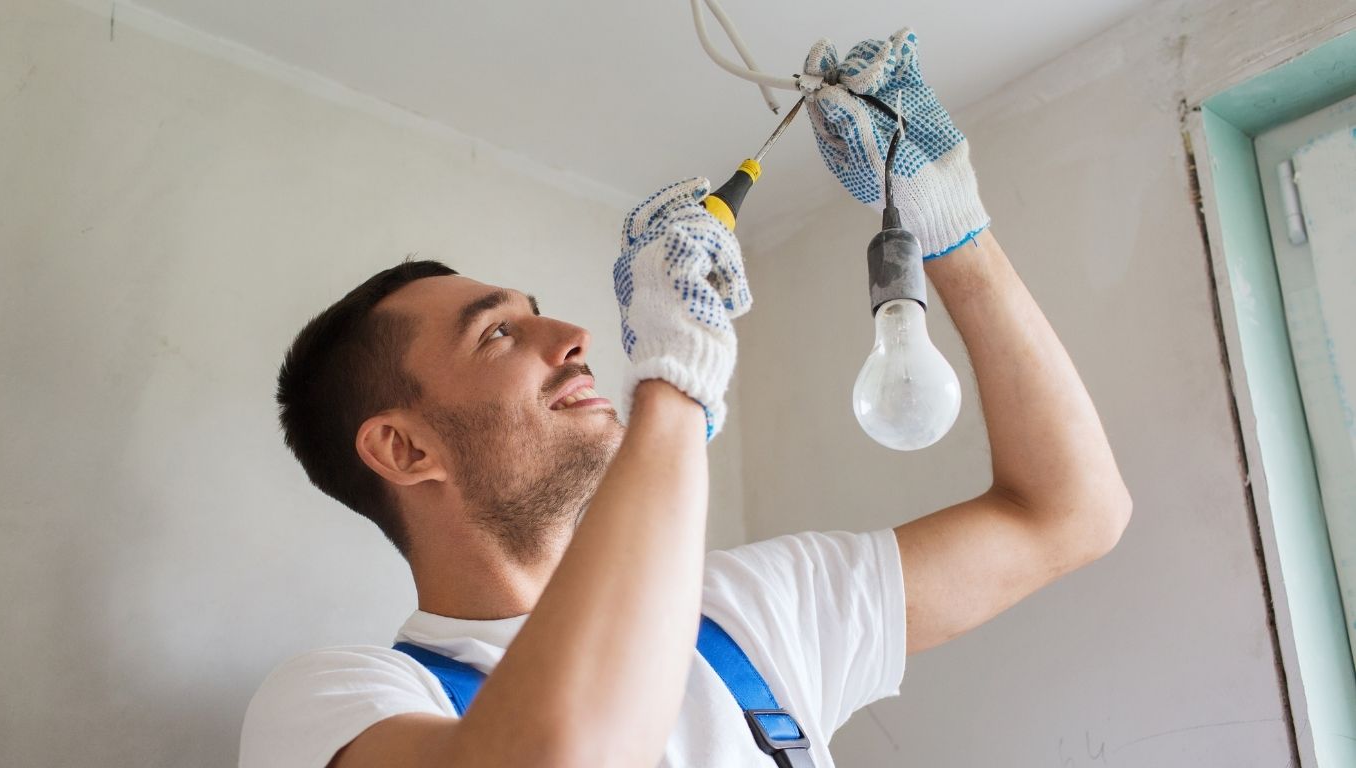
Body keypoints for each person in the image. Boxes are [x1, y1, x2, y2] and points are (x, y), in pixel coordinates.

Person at [239, 31, 1131, 768]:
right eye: (497, 334)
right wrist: (676, 386)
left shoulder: (753, 612)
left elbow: (1071, 512)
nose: (572, 337)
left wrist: (946, 223)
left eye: (538, 314)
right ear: (402, 449)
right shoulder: (334, 706)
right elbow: (558, 751)